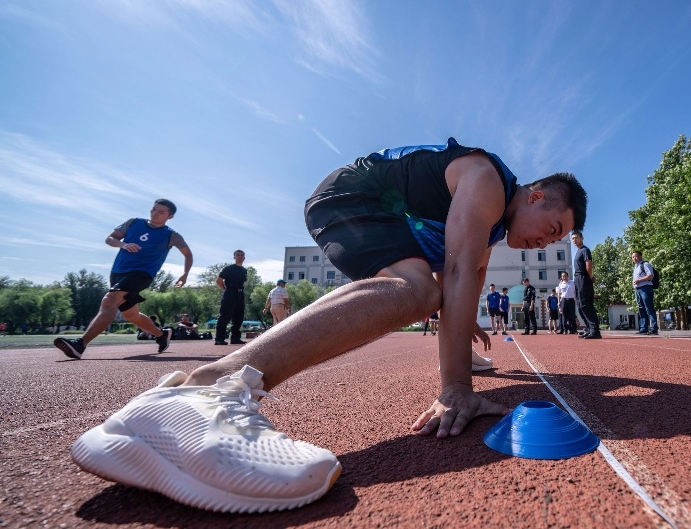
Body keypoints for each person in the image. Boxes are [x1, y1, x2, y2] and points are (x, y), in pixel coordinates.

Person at [69, 137, 587, 513]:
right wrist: (456, 389)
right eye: (553, 230)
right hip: (353, 199)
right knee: (418, 291)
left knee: (423, 289)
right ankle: (209, 388)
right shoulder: (487, 181)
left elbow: (463, 282)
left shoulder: (491, 225)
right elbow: (452, 274)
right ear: (537, 195)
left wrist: (463, 331)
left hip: (376, 212)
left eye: (554, 243)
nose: (546, 242)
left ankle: (200, 391)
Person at [54, 200, 191, 358]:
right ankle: (161, 334)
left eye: (161, 212)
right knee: (130, 315)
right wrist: (122, 244)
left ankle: (80, 344)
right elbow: (110, 239)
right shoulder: (133, 223)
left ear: (170, 216)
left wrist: (185, 274)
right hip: (118, 271)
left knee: (109, 300)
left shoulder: (171, 235)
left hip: (142, 273)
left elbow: (188, 254)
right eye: (154, 209)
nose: (155, 213)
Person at [215, 250, 248, 345]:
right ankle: (219, 339)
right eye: (238, 255)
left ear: (244, 258)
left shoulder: (244, 270)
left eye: (242, 255)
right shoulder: (229, 269)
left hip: (240, 294)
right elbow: (219, 281)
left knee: (239, 317)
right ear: (234, 257)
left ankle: (235, 338)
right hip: (230, 293)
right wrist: (226, 290)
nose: (240, 257)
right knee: (225, 315)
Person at [572, 231, 601, 339]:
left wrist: (588, 279)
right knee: (580, 306)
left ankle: (595, 331)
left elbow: (588, 265)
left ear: (582, 238)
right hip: (578, 279)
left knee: (586, 305)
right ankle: (589, 329)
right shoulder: (578, 251)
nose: (574, 240)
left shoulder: (585, 250)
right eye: (573, 238)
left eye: (576, 238)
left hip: (583, 278)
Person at [631, 251, 658, 335]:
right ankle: (643, 328)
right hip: (638, 290)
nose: (634, 258)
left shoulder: (645, 265)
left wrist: (639, 280)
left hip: (645, 288)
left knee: (649, 308)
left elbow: (650, 275)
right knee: (641, 309)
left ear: (640, 256)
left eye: (636, 256)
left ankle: (654, 328)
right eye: (632, 257)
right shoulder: (636, 267)